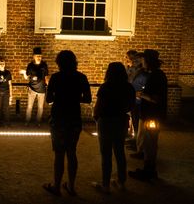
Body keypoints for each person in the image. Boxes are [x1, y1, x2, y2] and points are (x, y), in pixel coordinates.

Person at [42, 50, 91, 197]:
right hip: (74, 119)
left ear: (59, 63)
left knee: (59, 153)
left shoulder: (56, 78)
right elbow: (88, 99)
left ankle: (56, 186)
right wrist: (74, 99)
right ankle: (71, 186)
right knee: (72, 152)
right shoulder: (81, 77)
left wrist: (60, 97)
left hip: (58, 118)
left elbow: (49, 99)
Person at [92, 62, 136, 194]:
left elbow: (98, 106)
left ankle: (105, 185)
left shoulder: (106, 87)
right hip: (120, 120)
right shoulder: (128, 87)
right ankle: (121, 182)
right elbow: (131, 106)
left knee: (106, 154)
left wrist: (96, 118)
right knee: (120, 152)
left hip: (105, 121)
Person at [128, 49, 167, 181]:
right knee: (148, 143)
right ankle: (148, 169)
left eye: (144, 60)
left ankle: (149, 172)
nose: (142, 62)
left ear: (149, 61)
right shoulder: (155, 74)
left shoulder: (157, 76)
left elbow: (156, 99)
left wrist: (141, 94)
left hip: (152, 116)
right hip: (149, 115)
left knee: (150, 144)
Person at [21, 47, 49, 126]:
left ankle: (38, 122)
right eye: (37, 56)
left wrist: (48, 86)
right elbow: (27, 77)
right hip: (32, 89)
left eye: (40, 56)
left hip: (42, 89)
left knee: (40, 107)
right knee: (29, 106)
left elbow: (46, 77)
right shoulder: (30, 65)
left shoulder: (44, 65)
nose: (39, 57)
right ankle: (27, 121)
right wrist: (23, 73)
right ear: (33, 56)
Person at [126, 52, 148, 152]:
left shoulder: (144, 73)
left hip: (139, 101)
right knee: (135, 122)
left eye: (137, 60)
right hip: (133, 99)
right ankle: (135, 141)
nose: (134, 62)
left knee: (138, 124)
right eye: (134, 60)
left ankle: (138, 145)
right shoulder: (135, 70)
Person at [0, 58, 13, 127]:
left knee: (6, 108)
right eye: (0, 63)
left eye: (3, 63)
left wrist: (11, 95)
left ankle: (8, 122)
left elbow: (10, 84)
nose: (2, 65)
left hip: (6, 93)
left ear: (5, 64)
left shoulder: (8, 73)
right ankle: (0, 123)